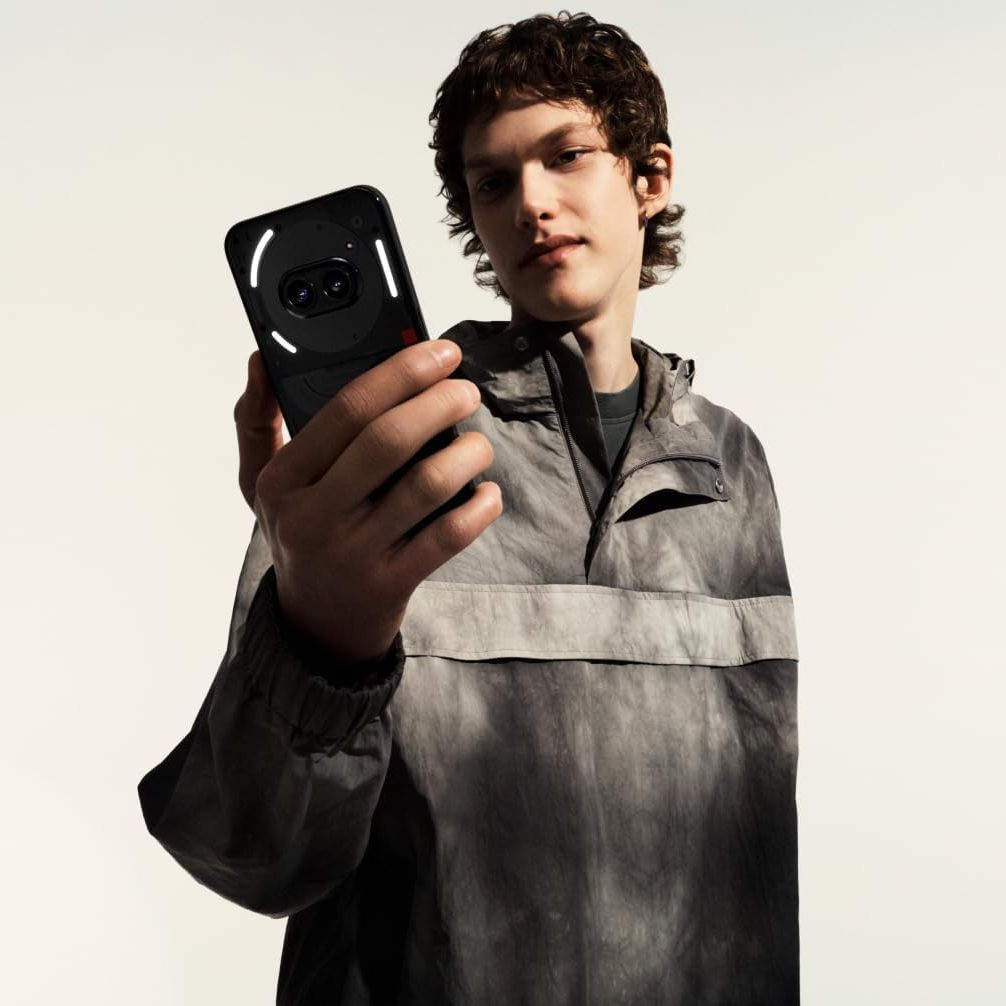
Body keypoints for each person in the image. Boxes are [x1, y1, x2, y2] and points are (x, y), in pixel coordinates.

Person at [138, 11, 800, 1004]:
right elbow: (254, 854)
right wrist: (322, 646)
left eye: (566, 155)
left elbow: (751, 859)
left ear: (650, 177)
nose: (531, 200)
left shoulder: (728, 464)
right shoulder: (397, 438)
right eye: (493, 181)